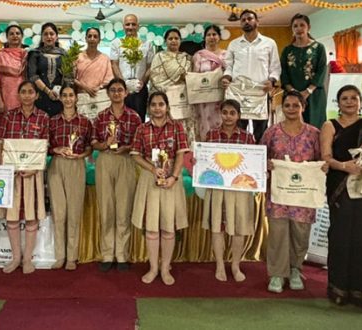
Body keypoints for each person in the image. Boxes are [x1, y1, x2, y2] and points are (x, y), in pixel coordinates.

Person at [320, 85, 362, 308]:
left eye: (354, 98)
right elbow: (325, 158)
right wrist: (344, 166)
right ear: (338, 103)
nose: (349, 102)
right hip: (340, 188)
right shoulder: (330, 125)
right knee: (341, 237)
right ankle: (339, 289)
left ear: (361, 102)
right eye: (344, 98)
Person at [261, 90, 323, 294]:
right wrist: (267, 165)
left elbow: (323, 159)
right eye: (287, 105)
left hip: (303, 195)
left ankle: (296, 269)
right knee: (278, 233)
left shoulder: (314, 134)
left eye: (296, 105)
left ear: (303, 107)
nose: (291, 109)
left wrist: (321, 167)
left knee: (300, 233)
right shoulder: (271, 133)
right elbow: (260, 157)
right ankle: (277, 274)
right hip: (278, 193)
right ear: (282, 108)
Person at [131, 91, 189, 285]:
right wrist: (152, 168)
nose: (157, 108)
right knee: (151, 228)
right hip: (150, 178)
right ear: (149, 108)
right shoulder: (141, 129)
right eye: (154, 104)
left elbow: (181, 155)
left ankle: (165, 268)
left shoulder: (177, 127)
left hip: (171, 179)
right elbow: (136, 155)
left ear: (167, 106)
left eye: (161, 104)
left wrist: (174, 176)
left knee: (168, 228)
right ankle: (153, 267)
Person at [0, 81, 50, 274]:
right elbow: (0, 142)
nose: (27, 95)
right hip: (12, 173)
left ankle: (27, 259)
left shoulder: (43, 117)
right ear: (18, 95)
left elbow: (45, 145)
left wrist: (34, 169)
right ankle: (15, 257)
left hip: (33, 174)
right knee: (12, 218)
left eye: (30, 92)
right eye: (23, 92)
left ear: (36, 95)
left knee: (31, 217)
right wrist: (5, 166)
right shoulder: (9, 116)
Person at [200, 99, 255, 283]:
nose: (228, 116)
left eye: (233, 113)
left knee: (238, 227)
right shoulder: (211, 135)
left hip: (239, 189)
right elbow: (205, 161)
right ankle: (220, 265)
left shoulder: (248, 137)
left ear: (238, 115)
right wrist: (198, 162)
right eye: (225, 112)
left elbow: (253, 164)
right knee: (218, 227)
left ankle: (235, 265)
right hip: (217, 188)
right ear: (220, 114)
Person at [91, 78, 142, 272]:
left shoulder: (134, 117)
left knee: (123, 207)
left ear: (126, 93)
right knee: (107, 207)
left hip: (126, 160)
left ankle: (122, 254)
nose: (116, 93)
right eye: (113, 90)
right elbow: (93, 142)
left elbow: (139, 144)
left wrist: (127, 147)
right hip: (105, 159)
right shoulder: (101, 116)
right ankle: (107, 253)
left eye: (120, 90)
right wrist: (104, 144)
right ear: (108, 93)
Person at [47, 85, 93, 270]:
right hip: (57, 165)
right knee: (59, 212)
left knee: (73, 212)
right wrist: (56, 149)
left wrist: (81, 155)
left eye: (71, 95)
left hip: (77, 165)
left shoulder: (85, 122)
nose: (67, 99)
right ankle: (60, 256)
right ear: (60, 98)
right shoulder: (52, 121)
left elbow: (90, 146)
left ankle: (72, 257)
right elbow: (46, 144)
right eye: (64, 95)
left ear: (76, 98)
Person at [221, 9, 281, 143]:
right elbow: (228, 66)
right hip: (238, 94)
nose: (246, 22)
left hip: (260, 93)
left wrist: (271, 80)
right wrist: (226, 77)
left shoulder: (269, 43)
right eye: (243, 20)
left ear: (257, 21)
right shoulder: (234, 44)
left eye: (250, 19)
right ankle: (239, 159)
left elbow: (275, 67)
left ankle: (259, 159)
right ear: (240, 24)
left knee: (261, 131)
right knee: (238, 130)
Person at [280, 14, 327, 128]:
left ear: (308, 27)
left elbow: (321, 70)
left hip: (314, 95)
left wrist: (307, 91)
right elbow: (283, 73)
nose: (299, 28)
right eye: (295, 26)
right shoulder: (287, 50)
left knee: (315, 127)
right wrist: (293, 92)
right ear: (292, 29)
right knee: (293, 126)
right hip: (292, 96)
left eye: (302, 25)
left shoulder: (319, 47)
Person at [110, 14, 155, 122]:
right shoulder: (116, 43)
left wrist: (142, 82)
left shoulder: (147, 44)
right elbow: (114, 64)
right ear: (123, 26)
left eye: (133, 24)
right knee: (120, 119)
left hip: (140, 88)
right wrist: (123, 84)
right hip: (121, 89)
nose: (130, 27)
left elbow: (150, 66)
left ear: (138, 26)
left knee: (139, 119)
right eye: (127, 24)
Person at [192, 25, 227, 141]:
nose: (212, 37)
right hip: (204, 99)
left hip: (221, 97)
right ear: (205, 38)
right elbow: (194, 77)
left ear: (219, 37)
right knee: (204, 126)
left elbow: (230, 74)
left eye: (214, 34)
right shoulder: (198, 56)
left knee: (222, 123)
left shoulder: (226, 55)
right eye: (208, 35)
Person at [27, 22, 65, 117]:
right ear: (42, 37)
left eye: (52, 34)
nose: (49, 36)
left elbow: (67, 76)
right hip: (40, 95)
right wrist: (48, 91)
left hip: (59, 96)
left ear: (56, 36)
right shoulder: (35, 53)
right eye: (45, 34)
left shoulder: (64, 54)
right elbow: (33, 75)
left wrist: (62, 93)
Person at [0, 24, 27, 113]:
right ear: (7, 37)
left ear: (22, 36)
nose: (15, 35)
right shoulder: (1, 54)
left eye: (17, 33)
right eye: (11, 34)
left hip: (25, 94)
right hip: (6, 94)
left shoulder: (27, 55)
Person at [74, 27, 114, 97]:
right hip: (82, 95)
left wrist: (99, 88)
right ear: (86, 39)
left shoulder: (105, 58)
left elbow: (109, 79)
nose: (92, 39)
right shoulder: (77, 57)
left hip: (100, 95)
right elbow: (71, 78)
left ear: (99, 40)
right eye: (89, 36)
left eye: (95, 36)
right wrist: (85, 87)